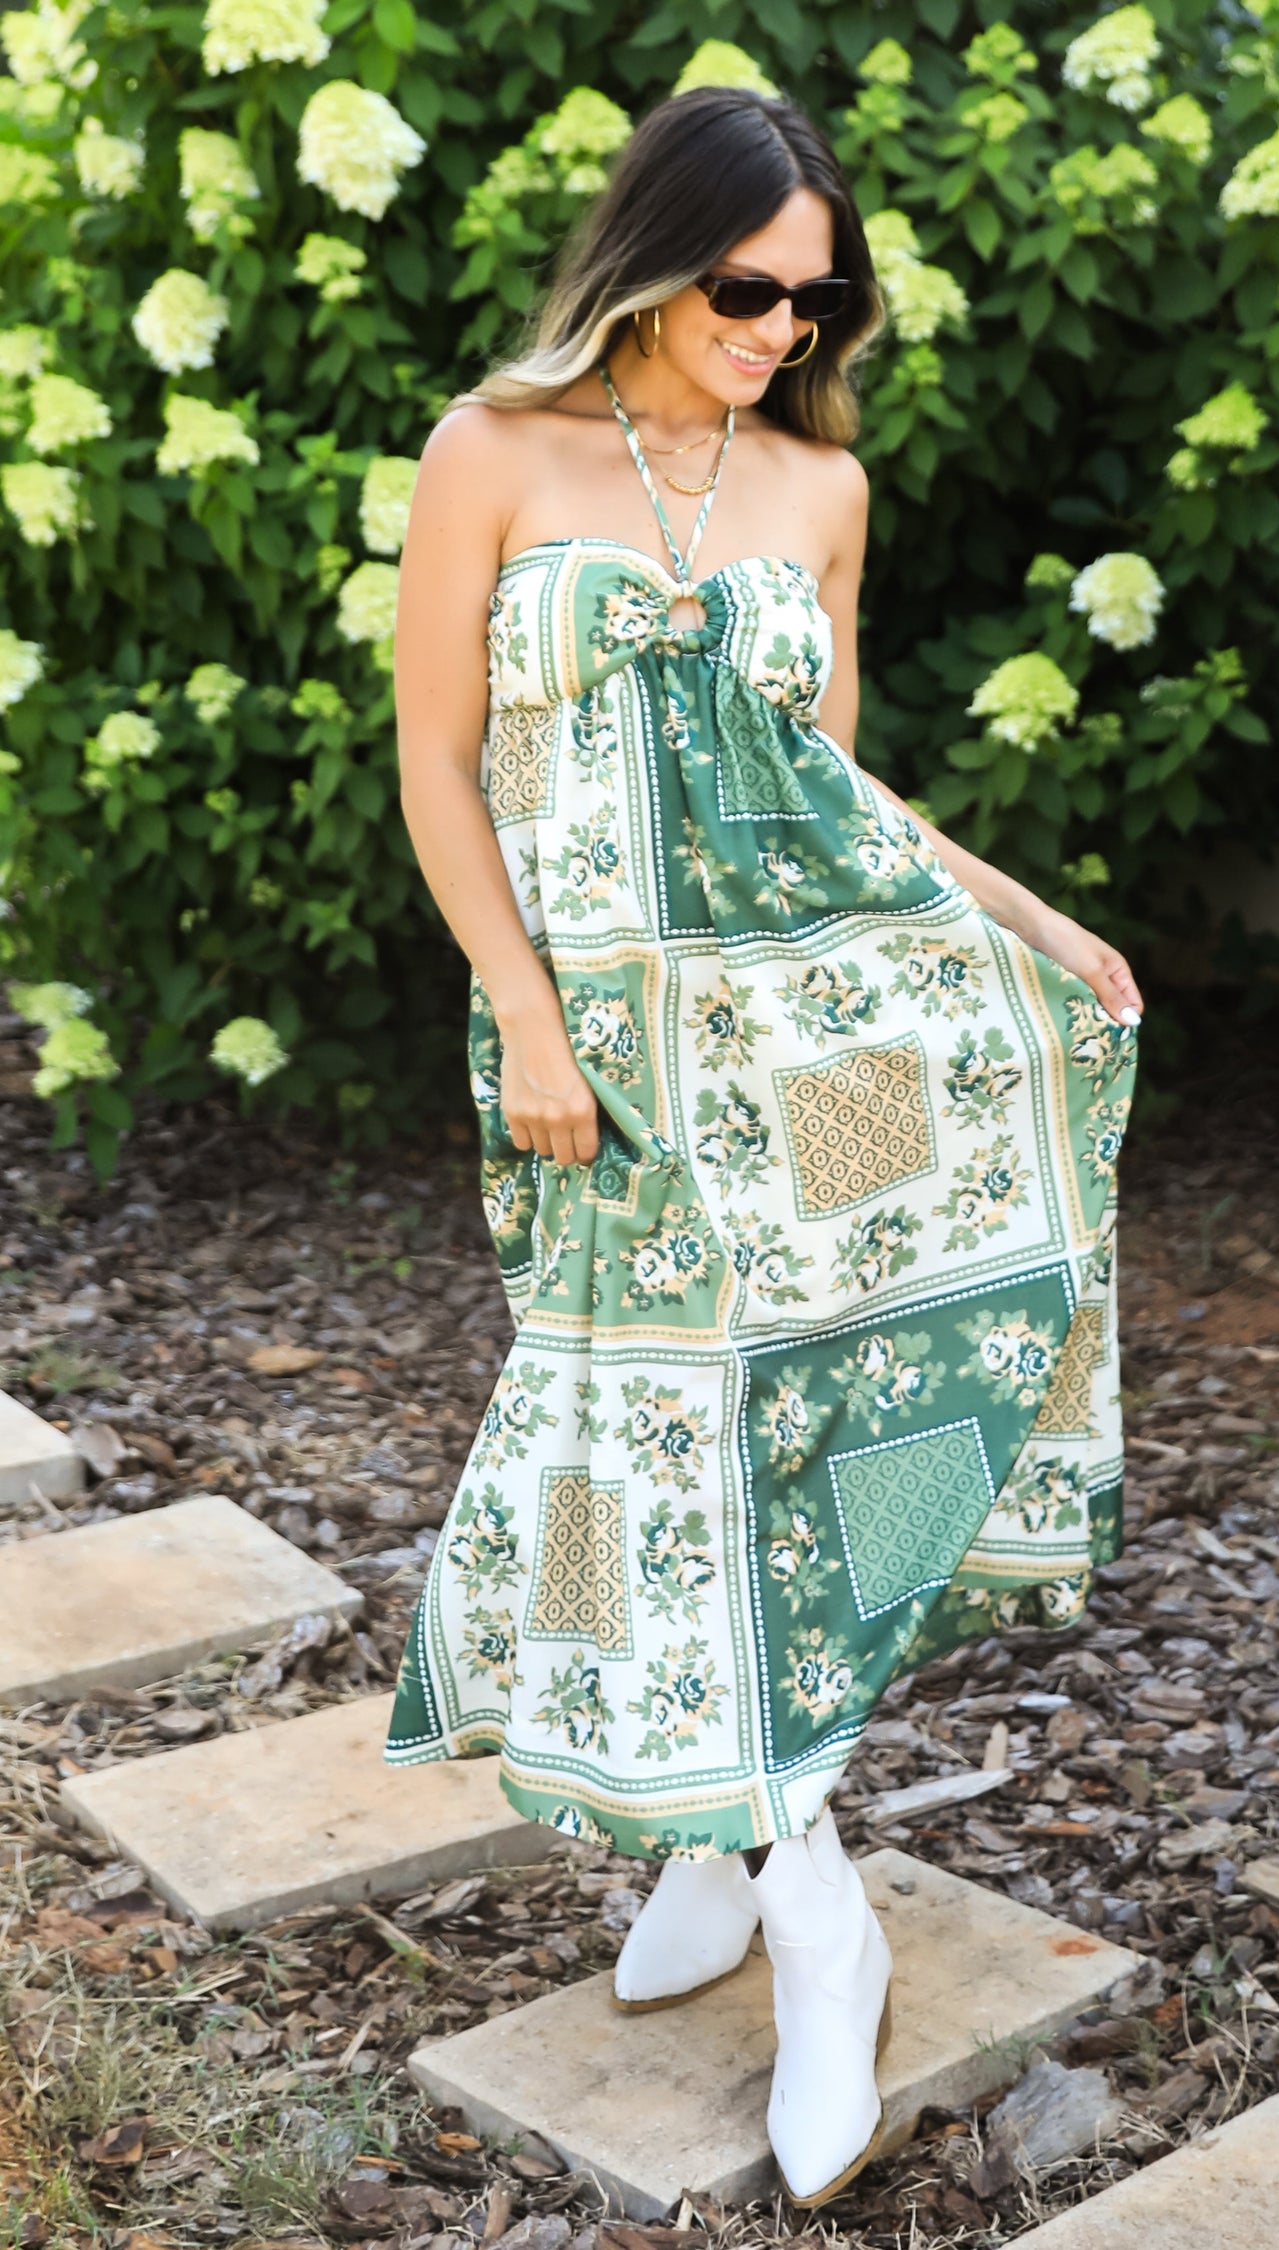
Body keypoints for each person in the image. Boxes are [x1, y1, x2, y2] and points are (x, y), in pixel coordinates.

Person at [384, 82, 1142, 2210]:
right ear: (651, 256)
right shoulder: (493, 452)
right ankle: (809, 1905)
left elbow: (837, 795)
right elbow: (437, 765)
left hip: (824, 1048)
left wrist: (1030, 919)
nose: (780, 329)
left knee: (794, 1433)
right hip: (605, 1055)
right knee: (646, 1447)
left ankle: (756, 1878)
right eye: (744, 288)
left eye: (816, 300)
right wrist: (530, 1012)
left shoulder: (821, 484)